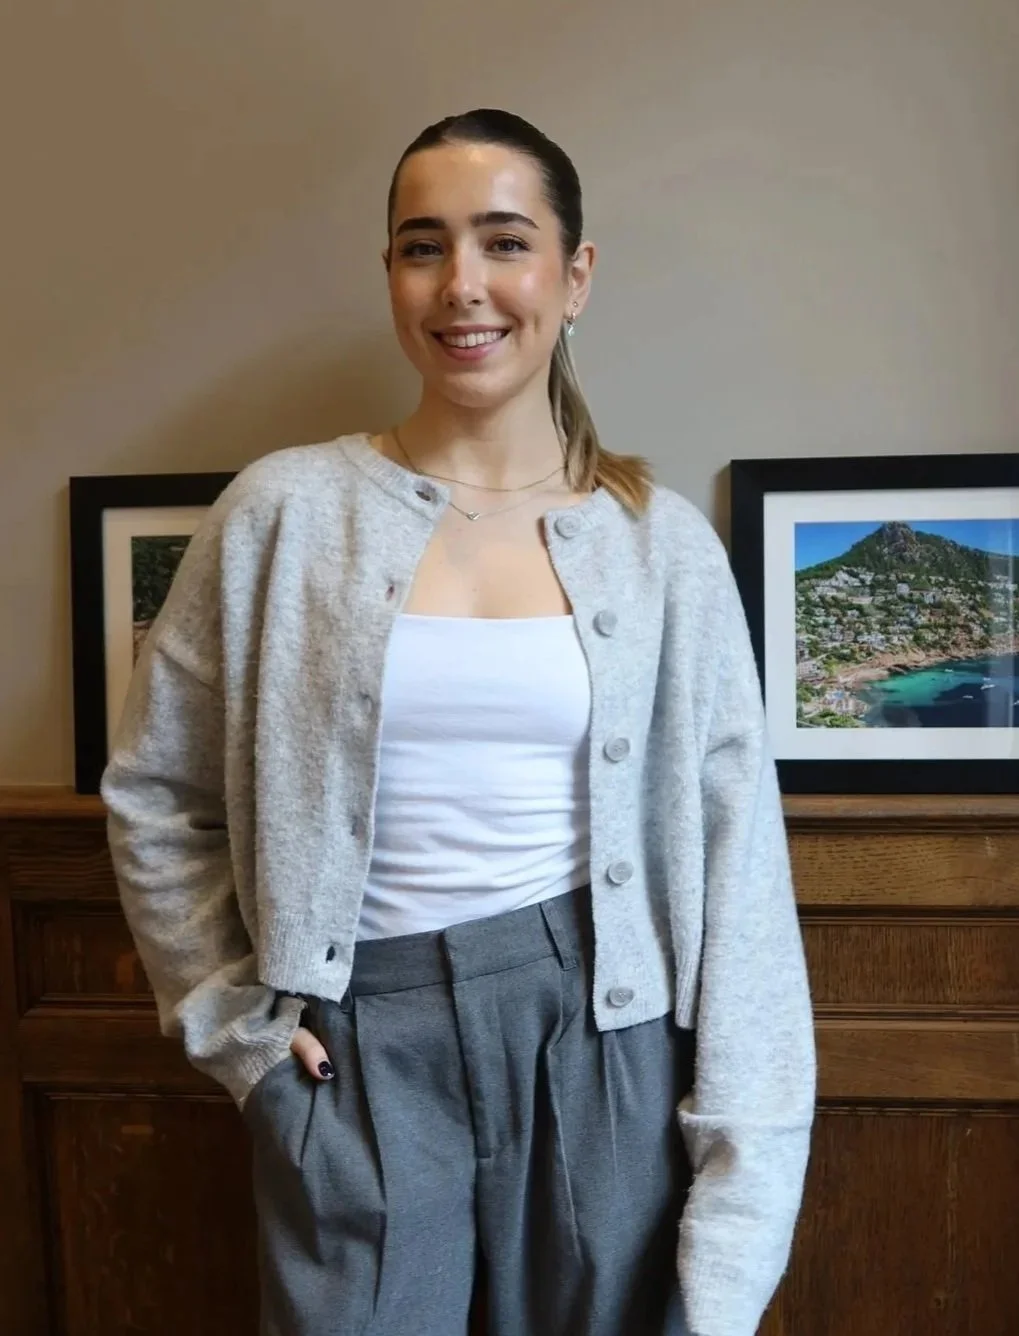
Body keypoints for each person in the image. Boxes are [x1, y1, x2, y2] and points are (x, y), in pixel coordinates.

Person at [101, 108, 816, 1336]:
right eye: (421, 246)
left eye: (503, 241)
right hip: (354, 1046)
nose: (462, 286)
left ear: (574, 274)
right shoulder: (281, 513)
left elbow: (738, 870)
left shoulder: (660, 553)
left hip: (603, 1047)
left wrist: (743, 1175)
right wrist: (243, 1036)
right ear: (389, 273)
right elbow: (155, 792)